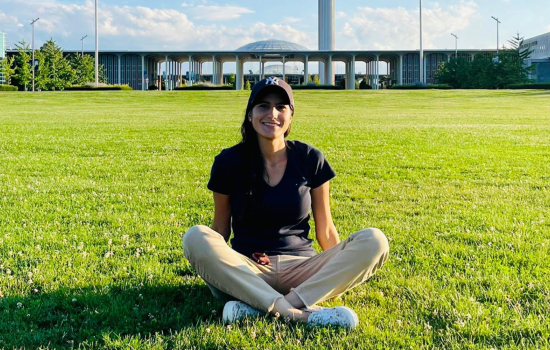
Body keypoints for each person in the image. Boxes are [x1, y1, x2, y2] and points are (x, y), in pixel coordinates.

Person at [183, 77, 389, 328]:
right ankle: (298, 314)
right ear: (250, 114)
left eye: (281, 107)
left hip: (303, 272)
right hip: (249, 272)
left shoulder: (310, 158)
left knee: (374, 240)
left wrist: (337, 269)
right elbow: (220, 229)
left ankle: (261, 308)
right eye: (263, 106)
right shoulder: (229, 161)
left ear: (291, 117)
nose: (272, 113)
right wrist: (213, 262)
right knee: (195, 236)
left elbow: (325, 230)